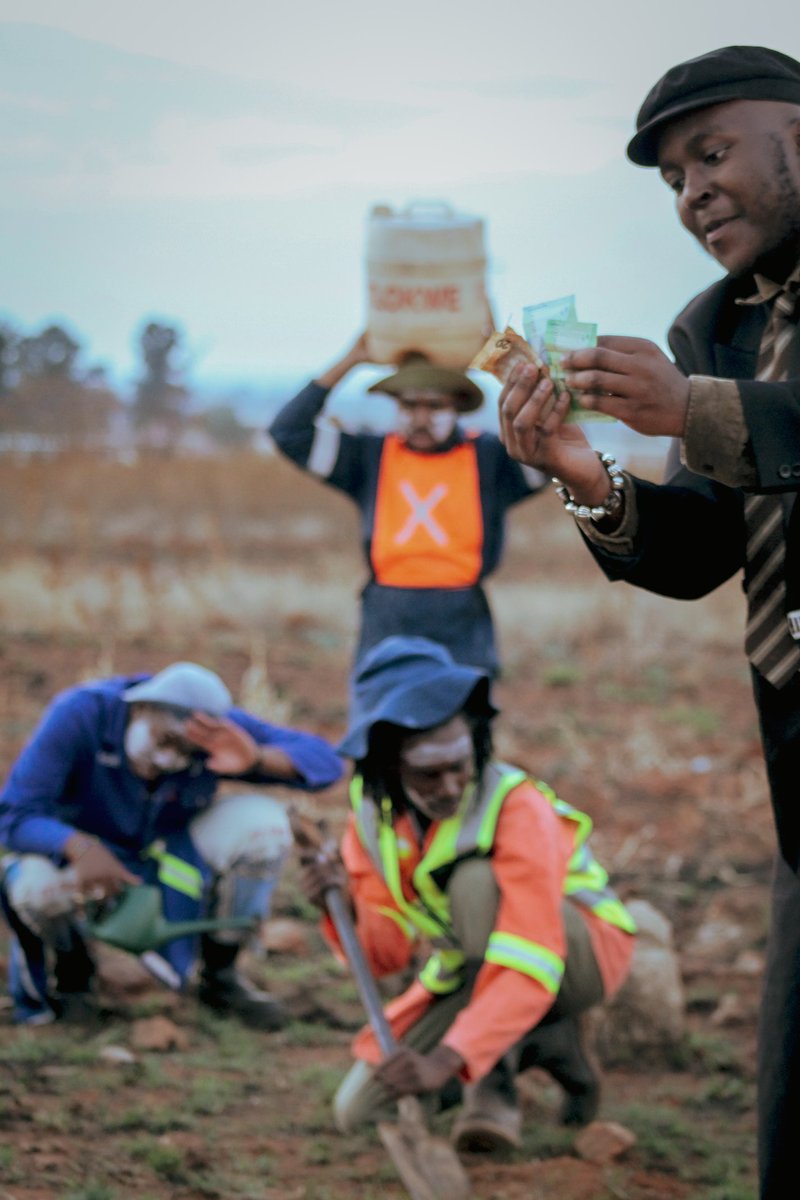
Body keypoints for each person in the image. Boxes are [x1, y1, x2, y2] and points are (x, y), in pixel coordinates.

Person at [496, 45, 800, 1199]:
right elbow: (701, 549)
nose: (691, 193)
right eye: (673, 177)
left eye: (711, 152)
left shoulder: (711, 374)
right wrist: (585, 471)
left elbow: (749, 425)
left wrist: (703, 411)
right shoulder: (713, 324)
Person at [298, 635, 635, 1150]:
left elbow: (531, 956)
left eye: (460, 765)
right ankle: (549, 1040)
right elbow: (385, 956)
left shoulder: (516, 806)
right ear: (389, 767)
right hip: (477, 967)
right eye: (428, 775)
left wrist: (446, 1061)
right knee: (361, 1110)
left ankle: (493, 1082)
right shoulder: (371, 821)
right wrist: (338, 902)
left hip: (575, 955)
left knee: (475, 883)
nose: (451, 787)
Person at [0, 660, 343, 1028]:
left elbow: (328, 764)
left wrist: (257, 759)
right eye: (165, 741)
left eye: (188, 753)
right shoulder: (82, 714)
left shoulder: (211, 731)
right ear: (141, 708)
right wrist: (76, 846)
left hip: (170, 855)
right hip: (84, 859)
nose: (171, 759)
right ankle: (71, 980)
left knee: (265, 827)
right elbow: (15, 814)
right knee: (37, 890)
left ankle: (219, 976)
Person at [268, 334, 547, 677]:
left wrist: (503, 363)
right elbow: (288, 432)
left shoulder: (489, 459)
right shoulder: (368, 457)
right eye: (409, 405)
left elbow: (548, 451)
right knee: (382, 721)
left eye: (435, 406)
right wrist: (350, 360)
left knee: (465, 724)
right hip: (387, 615)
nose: (420, 418)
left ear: (457, 408)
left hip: (462, 617)